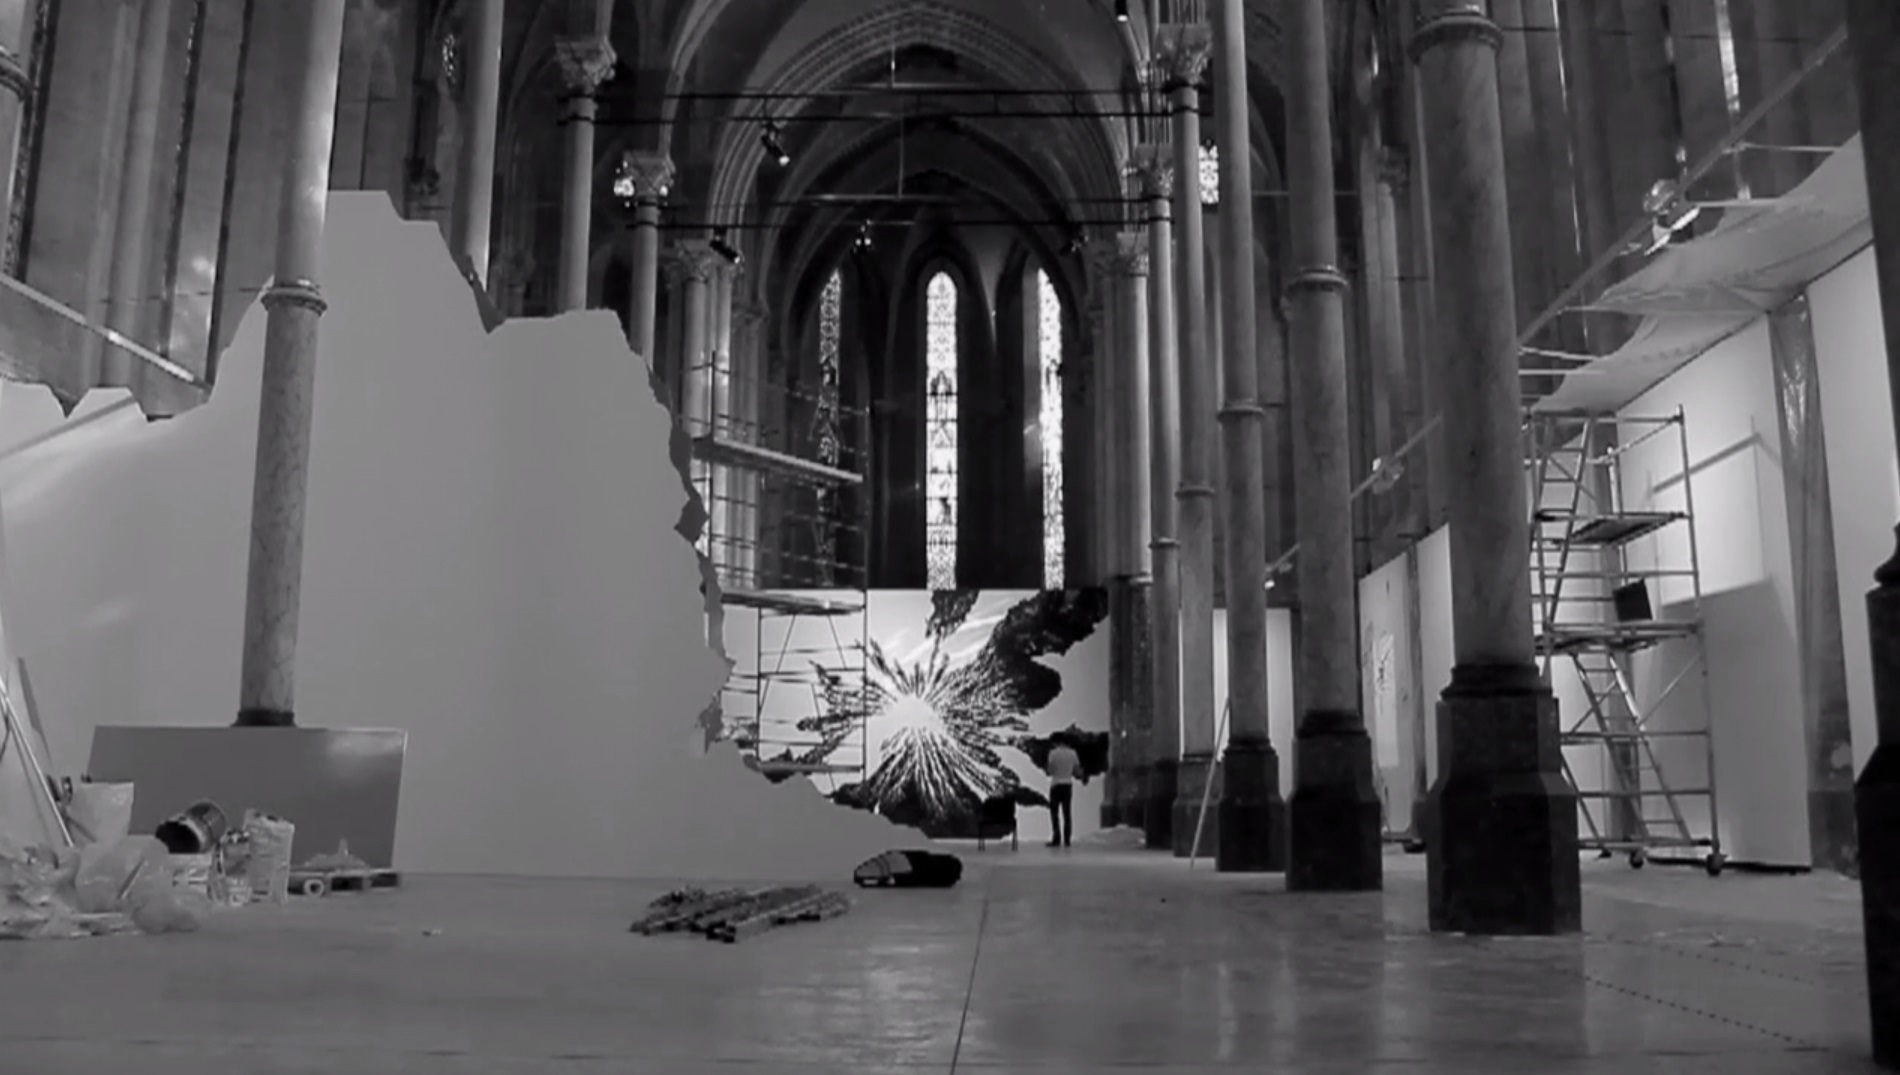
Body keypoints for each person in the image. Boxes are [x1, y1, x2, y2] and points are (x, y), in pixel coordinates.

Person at [1044, 735, 1082, 848]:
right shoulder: (1073, 753)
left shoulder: (1053, 753)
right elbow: (1077, 772)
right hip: (1067, 784)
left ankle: (1056, 838)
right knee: (1067, 813)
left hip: (1056, 784)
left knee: (1054, 813)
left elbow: (1050, 771)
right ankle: (1067, 839)